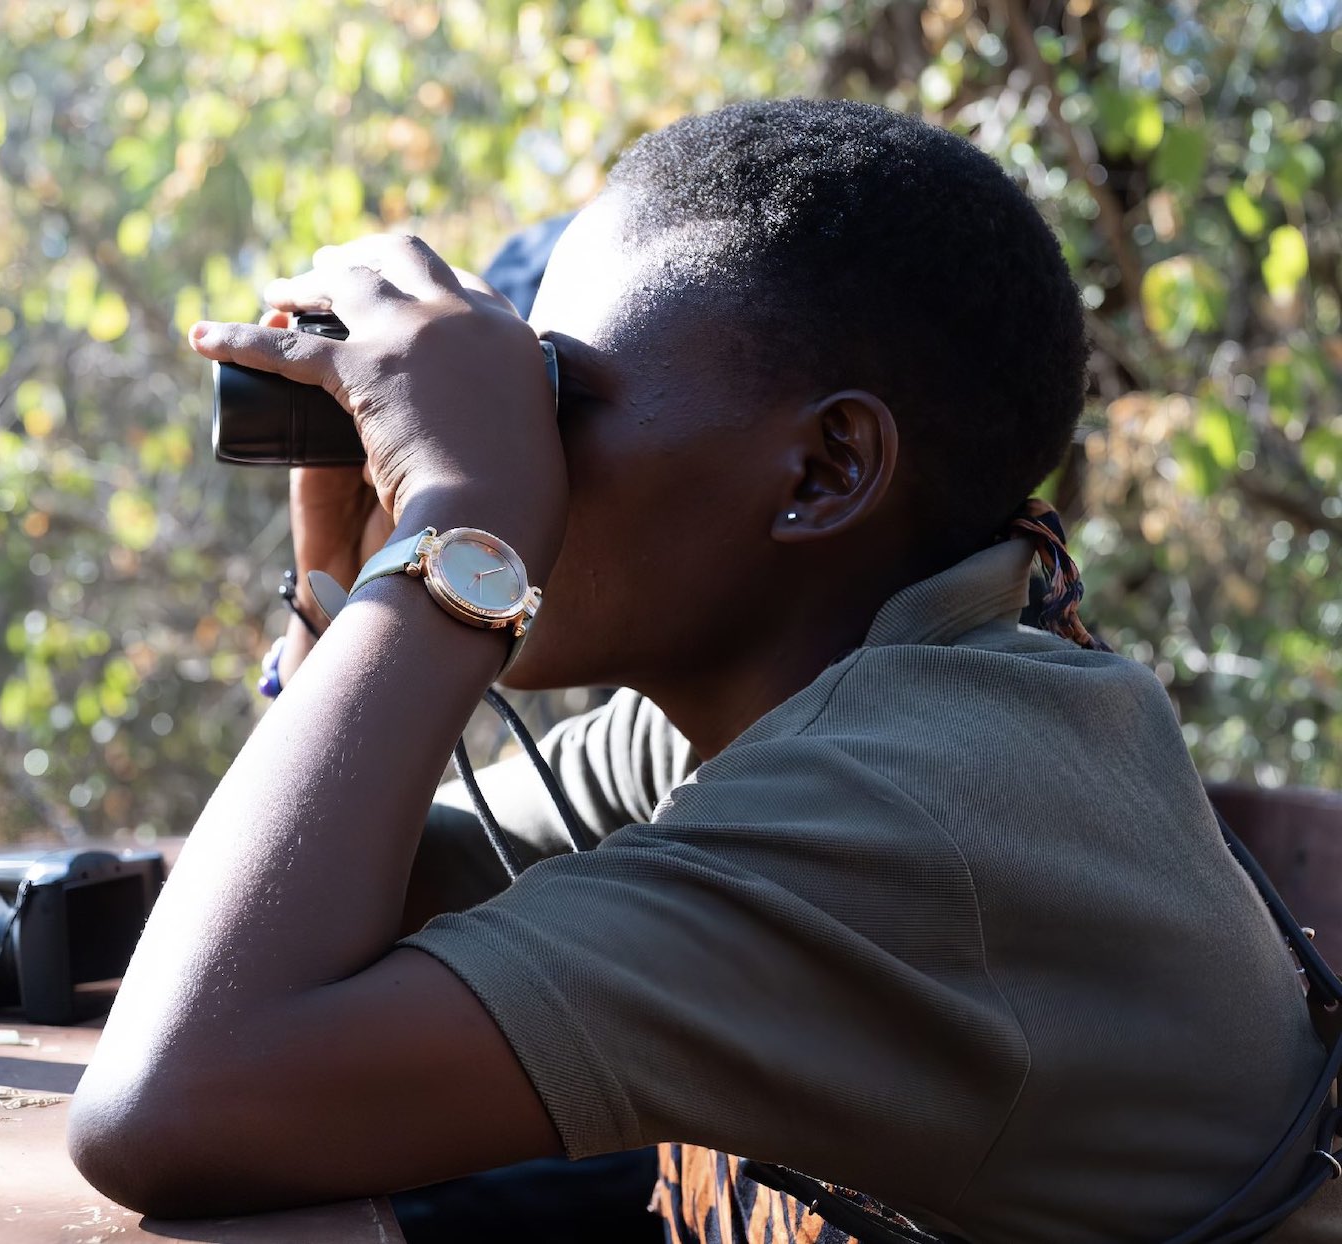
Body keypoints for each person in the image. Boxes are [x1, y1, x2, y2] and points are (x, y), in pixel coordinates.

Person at [65, 100, 1340, 1242]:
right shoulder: (749, 714)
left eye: (555, 396)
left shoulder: (902, 803)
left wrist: (465, 516)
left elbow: (175, 1098)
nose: (524, 448)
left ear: (824, 469)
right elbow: (307, 904)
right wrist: (348, 588)